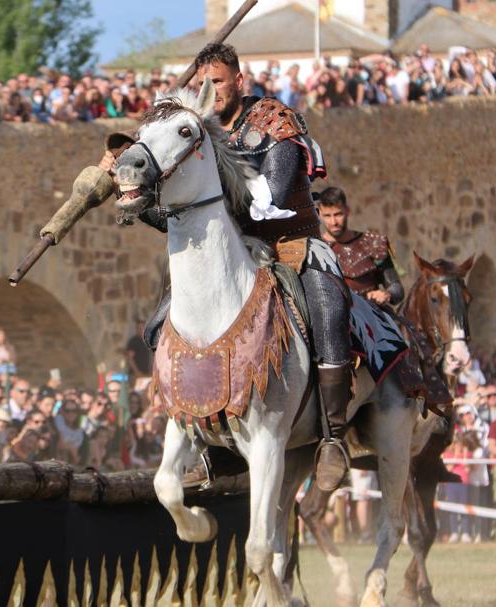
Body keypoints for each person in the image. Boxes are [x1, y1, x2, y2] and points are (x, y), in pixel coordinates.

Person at [104, 43, 350, 491]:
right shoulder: (195, 134)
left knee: (328, 304)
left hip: (290, 242)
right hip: (232, 251)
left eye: (218, 82)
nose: (210, 91)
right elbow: (175, 217)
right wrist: (133, 188)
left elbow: (272, 195)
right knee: (162, 324)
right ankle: (209, 439)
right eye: (203, 84)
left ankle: (333, 436)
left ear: (240, 81)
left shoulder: (275, 122)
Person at [317, 187, 404, 307]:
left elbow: (397, 288)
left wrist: (387, 294)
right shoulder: (315, 249)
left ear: (347, 211)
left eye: (338, 214)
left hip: (373, 316)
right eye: (327, 216)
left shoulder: (373, 244)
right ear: (319, 215)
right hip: (332, 319)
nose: (333, 222)